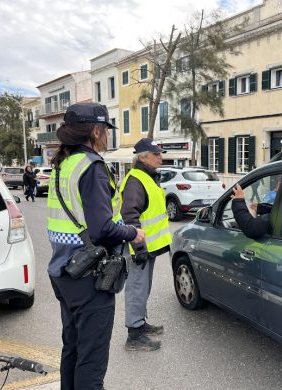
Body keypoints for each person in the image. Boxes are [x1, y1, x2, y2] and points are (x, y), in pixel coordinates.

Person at [47, 103, 145, 390]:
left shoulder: (63, 163)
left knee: (73, 348)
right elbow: (102, 228)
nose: (107, 137)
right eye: (106, 131)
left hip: (64, 271)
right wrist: (132, 233)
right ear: (96, 131)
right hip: (89, 278)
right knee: (91, 360)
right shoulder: (92, 166)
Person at [120, 138, 172, 351]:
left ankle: (139, 323)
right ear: (142, 157)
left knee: (143, 287)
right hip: (138, 247)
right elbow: (129, 216)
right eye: (156, 153)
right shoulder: (136, 180)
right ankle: (134, 335)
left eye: (160, 153)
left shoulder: (147, 177)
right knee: (136, 288)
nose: (161, 156)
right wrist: (138, 248)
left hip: (145, 246)